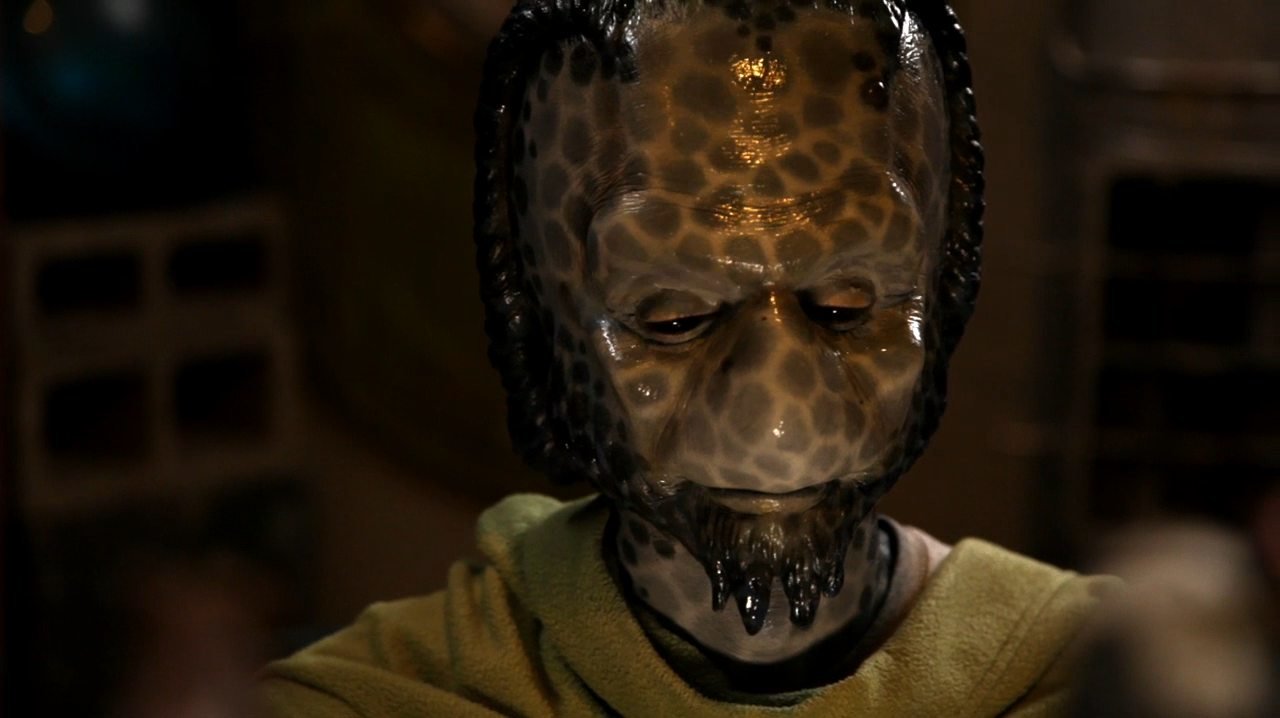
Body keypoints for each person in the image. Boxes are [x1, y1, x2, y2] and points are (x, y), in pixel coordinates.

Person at [261, 1, 1118, 714]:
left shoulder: (1097, 680)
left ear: (945, 280)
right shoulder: (381, 700)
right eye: (674, 318)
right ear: (537, 308)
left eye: (846, 308)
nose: (776, 425)